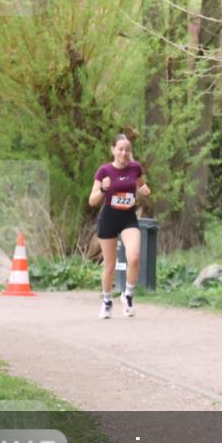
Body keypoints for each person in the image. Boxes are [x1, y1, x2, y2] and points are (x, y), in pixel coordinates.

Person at [89, 133, 150, 319]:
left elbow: (141, 184)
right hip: (108, 217)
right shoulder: (104, 171)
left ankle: (127, 295)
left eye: (127, 150)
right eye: (120, 149)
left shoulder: (135, 168)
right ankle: (107, 301)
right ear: (113, 150)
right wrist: (103, 189)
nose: (124, 153)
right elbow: (92, 201)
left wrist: (144, 190)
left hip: (128, 218)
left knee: (134, 257)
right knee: (110, 265)